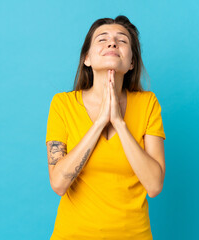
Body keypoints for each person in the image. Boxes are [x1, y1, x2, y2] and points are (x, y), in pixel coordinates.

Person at [45, 15, 166, 240]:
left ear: (131, 63)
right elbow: (59, 184)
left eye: (122, 40)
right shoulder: (62, 104)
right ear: (87, 58)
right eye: (102, 39)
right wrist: (100, 122)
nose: (112, 43)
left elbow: (154, 185)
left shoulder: (148, 103)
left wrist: (119, 123)